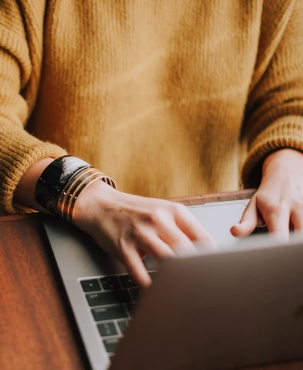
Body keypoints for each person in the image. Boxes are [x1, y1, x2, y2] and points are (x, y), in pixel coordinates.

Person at [1, 0, 303, 288]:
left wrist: (288, 169)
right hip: (64, 234)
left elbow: (291, 98)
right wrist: (88, 196)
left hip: (219, 235)